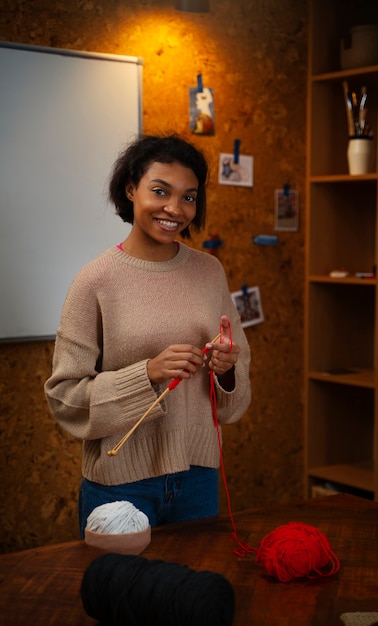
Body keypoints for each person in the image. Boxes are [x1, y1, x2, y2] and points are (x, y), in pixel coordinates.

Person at [44, 133, 251, 537]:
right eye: (160, 191)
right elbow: (65, 399)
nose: (175, 208)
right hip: (120, 484)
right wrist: (148, 373)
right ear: (130, 189)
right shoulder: (95, 281)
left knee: (190, 597)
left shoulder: (210, 272)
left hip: (198, 478)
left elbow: (234, 400)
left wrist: (226, 370)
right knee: (121, 599)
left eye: (189, 197)